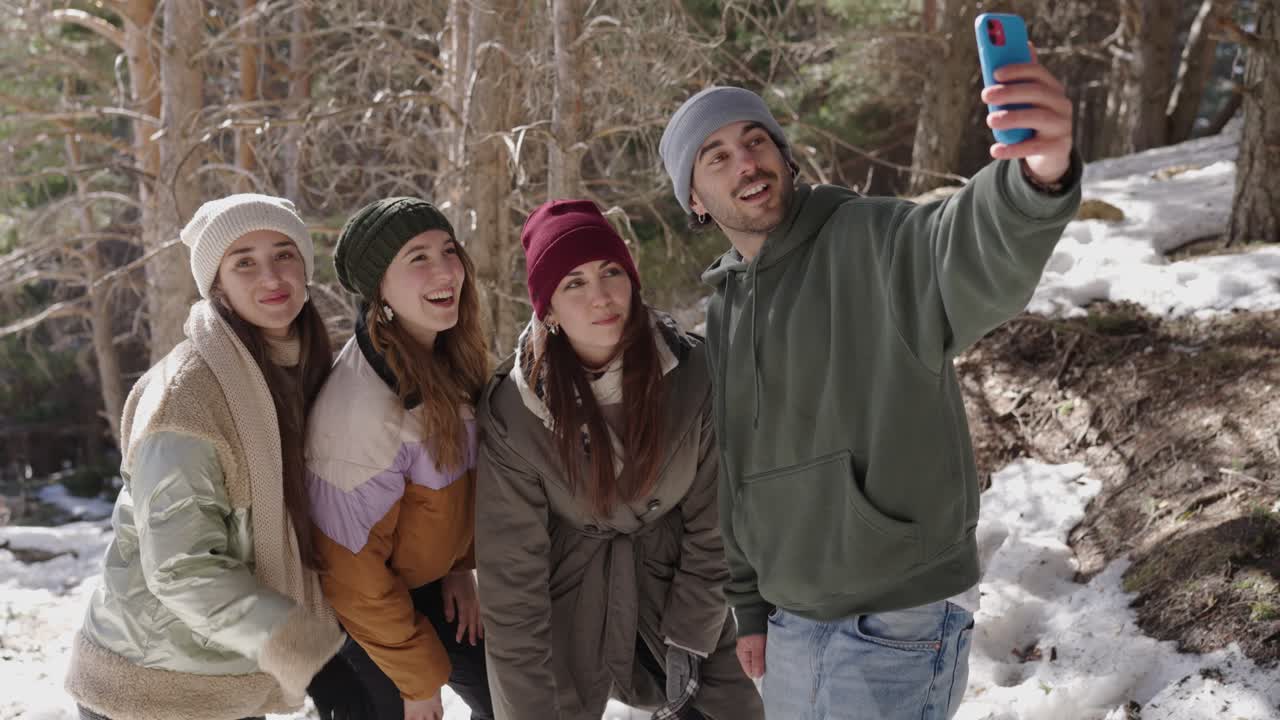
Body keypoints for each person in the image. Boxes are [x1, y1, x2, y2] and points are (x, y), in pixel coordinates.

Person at [657, 53, 1082, 719]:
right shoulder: (727, 311)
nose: (745, 163)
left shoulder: (872, 238)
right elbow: (738, 470)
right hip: (792, 622)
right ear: (693, 199)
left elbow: (959, 241)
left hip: (894, 616)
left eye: (756, 141)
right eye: (715, 156)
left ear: (785, 155)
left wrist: (1035, 174)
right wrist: (749, 604)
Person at [475, 199, 764, 720]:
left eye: (611, 272)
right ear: (548, 310)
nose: (602, 296)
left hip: (677, 585)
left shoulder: (696, 373)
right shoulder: (513, 410)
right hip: (568, 601)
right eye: (573, 283)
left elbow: (718, 523)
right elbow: (512, 588)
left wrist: (691, 633)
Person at [64, 194, 345, 720]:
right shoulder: (187, 395)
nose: (271, 276)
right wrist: (305, 646)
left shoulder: (299, 376)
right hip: (151, 687)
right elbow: (182, 567)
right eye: (244, 262)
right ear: (218, 284)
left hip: (223, 677)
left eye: (284, 253)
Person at [305, 197, 494, 720]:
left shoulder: (442, 355)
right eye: (417, 257)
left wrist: (459, 565)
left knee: (517, 696)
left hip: (419, 583)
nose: (445, 270)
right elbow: (348, 574)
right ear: (379, 290)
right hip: (357, 618)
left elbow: (451, 480)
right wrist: (417, 682)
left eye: (448, 250)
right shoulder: (364, 411)